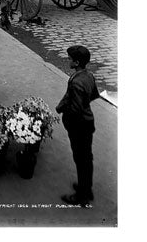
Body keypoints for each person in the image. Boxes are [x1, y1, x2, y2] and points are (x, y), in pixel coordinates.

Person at [56, 45, 100, 207]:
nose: (68, 60)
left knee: (81, 159)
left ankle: (82, 196)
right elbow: (94, 95)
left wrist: (67, 118)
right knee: (86, 158)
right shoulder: (89, 75)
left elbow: (75, 110)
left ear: (76, 62)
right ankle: (86, 188)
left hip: (79, 126)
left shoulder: (76, 82)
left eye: (70, 59)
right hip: (88, 122)